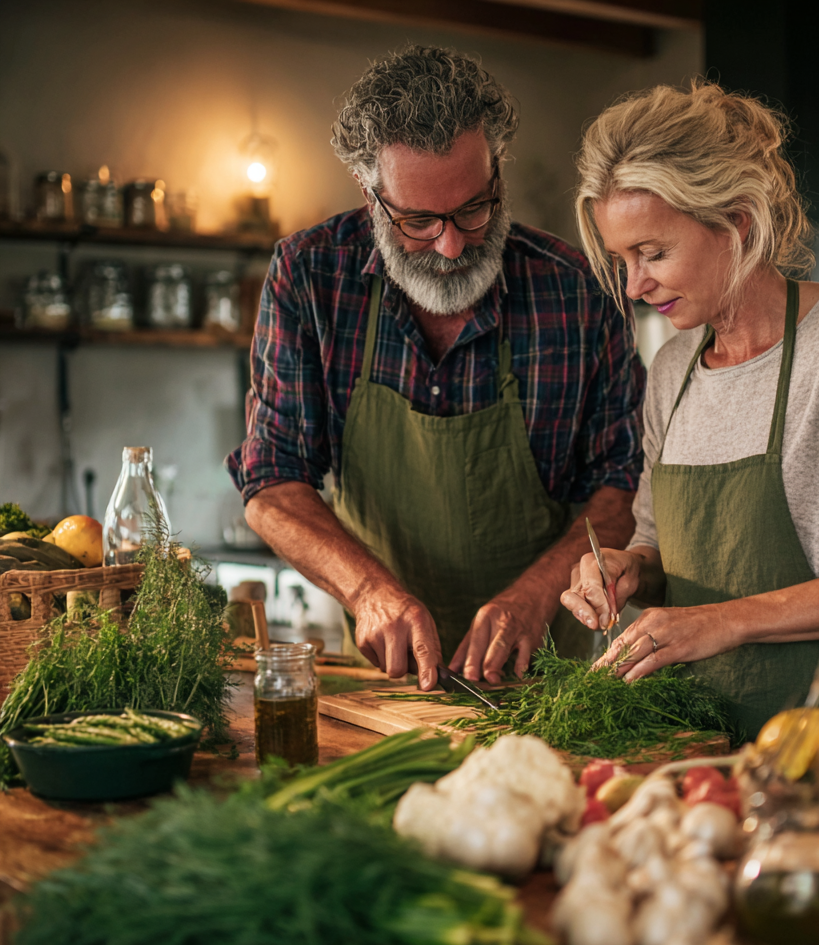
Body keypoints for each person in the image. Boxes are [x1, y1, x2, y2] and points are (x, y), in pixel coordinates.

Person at [227, 46, 644, 690]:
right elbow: (272, 484)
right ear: (371, 196)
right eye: (419, 221)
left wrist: (535, 594)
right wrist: (367, 590)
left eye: (474, 209)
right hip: (384, 681)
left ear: (496, 173)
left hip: (548, 683)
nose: (451, 245)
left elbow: (620, 490)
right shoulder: (311, 277)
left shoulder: (580, 293)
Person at [560, 81, 819, 735]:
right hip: (694, 742)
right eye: (622, 260)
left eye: (653, 253)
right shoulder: (673, 369)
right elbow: (657, 542)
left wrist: (723, 621)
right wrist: (628, 568)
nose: (635, 286)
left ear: (736, 224)